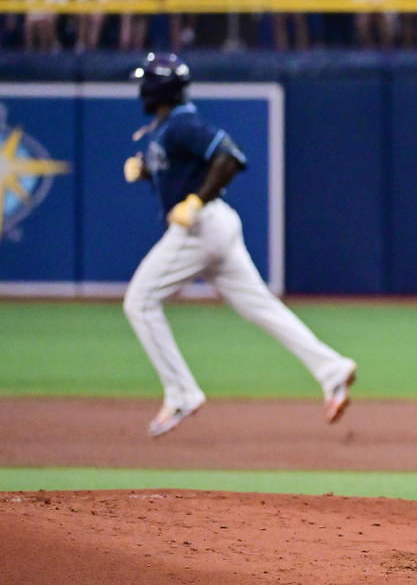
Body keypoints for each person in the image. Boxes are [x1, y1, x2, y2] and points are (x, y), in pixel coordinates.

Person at [123, 52, 357, 437]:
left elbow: (230, 157)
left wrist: (196, 200)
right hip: (216, 226)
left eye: (145, 81)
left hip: (202, 227)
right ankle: (332, 370)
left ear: (156, 87)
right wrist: (149, 173)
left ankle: (182, 392)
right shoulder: (168, 126)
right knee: (261, 307)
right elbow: (181, 175)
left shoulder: (182, 123)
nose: (141, 88)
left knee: (140, 301)